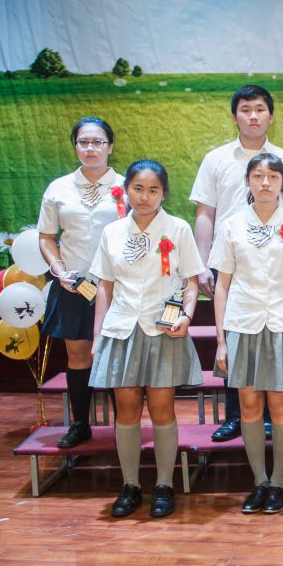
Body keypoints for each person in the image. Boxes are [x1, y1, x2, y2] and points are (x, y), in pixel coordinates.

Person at [191, 84, 283, 443]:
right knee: (235, 338)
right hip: (231, 260)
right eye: (245, 110)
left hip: (276, 263)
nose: (253, 116)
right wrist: (201, 264)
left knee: (273, 337)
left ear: (271, 116)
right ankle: (236, 416)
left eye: (260, 109)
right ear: (234, 116)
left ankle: (273, 417)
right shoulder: (216, 160)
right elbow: (205, 214)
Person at [88, 160, 204, 519]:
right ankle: (130, 485)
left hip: (162, 329)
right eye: (138, 188)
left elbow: (192, 282)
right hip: (122, 329)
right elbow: (104, 286)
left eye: (153, 190)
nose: (144, 196)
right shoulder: (112, 232)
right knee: (125, 411)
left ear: (163, 194)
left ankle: (164, 485)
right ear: (127, 190)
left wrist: (186, 316)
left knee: (162, 410)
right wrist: (98, 335)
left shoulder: (178, 228)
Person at [211, 153, 283, 515]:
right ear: (247, 181)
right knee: (248, 405)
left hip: (282, 324)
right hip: (242, 324)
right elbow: (222, 285)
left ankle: (278, 482)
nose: (265, 183)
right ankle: (258, 481)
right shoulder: (231, 225)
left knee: (280, 405)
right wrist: (221, 339)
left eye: (273, 177)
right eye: (258, 175)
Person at [37, 117, 124, 449]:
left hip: (117, 286)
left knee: (117, 355)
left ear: (110, 147)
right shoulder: (58, 188)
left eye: (98, 142)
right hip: (73, 284)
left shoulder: (127, 185)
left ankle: (124, 425)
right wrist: (59, 270)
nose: (90, 148)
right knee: (78, 354)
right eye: (83, 142)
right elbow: (46, 237)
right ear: (75, 146)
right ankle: (80, 424)